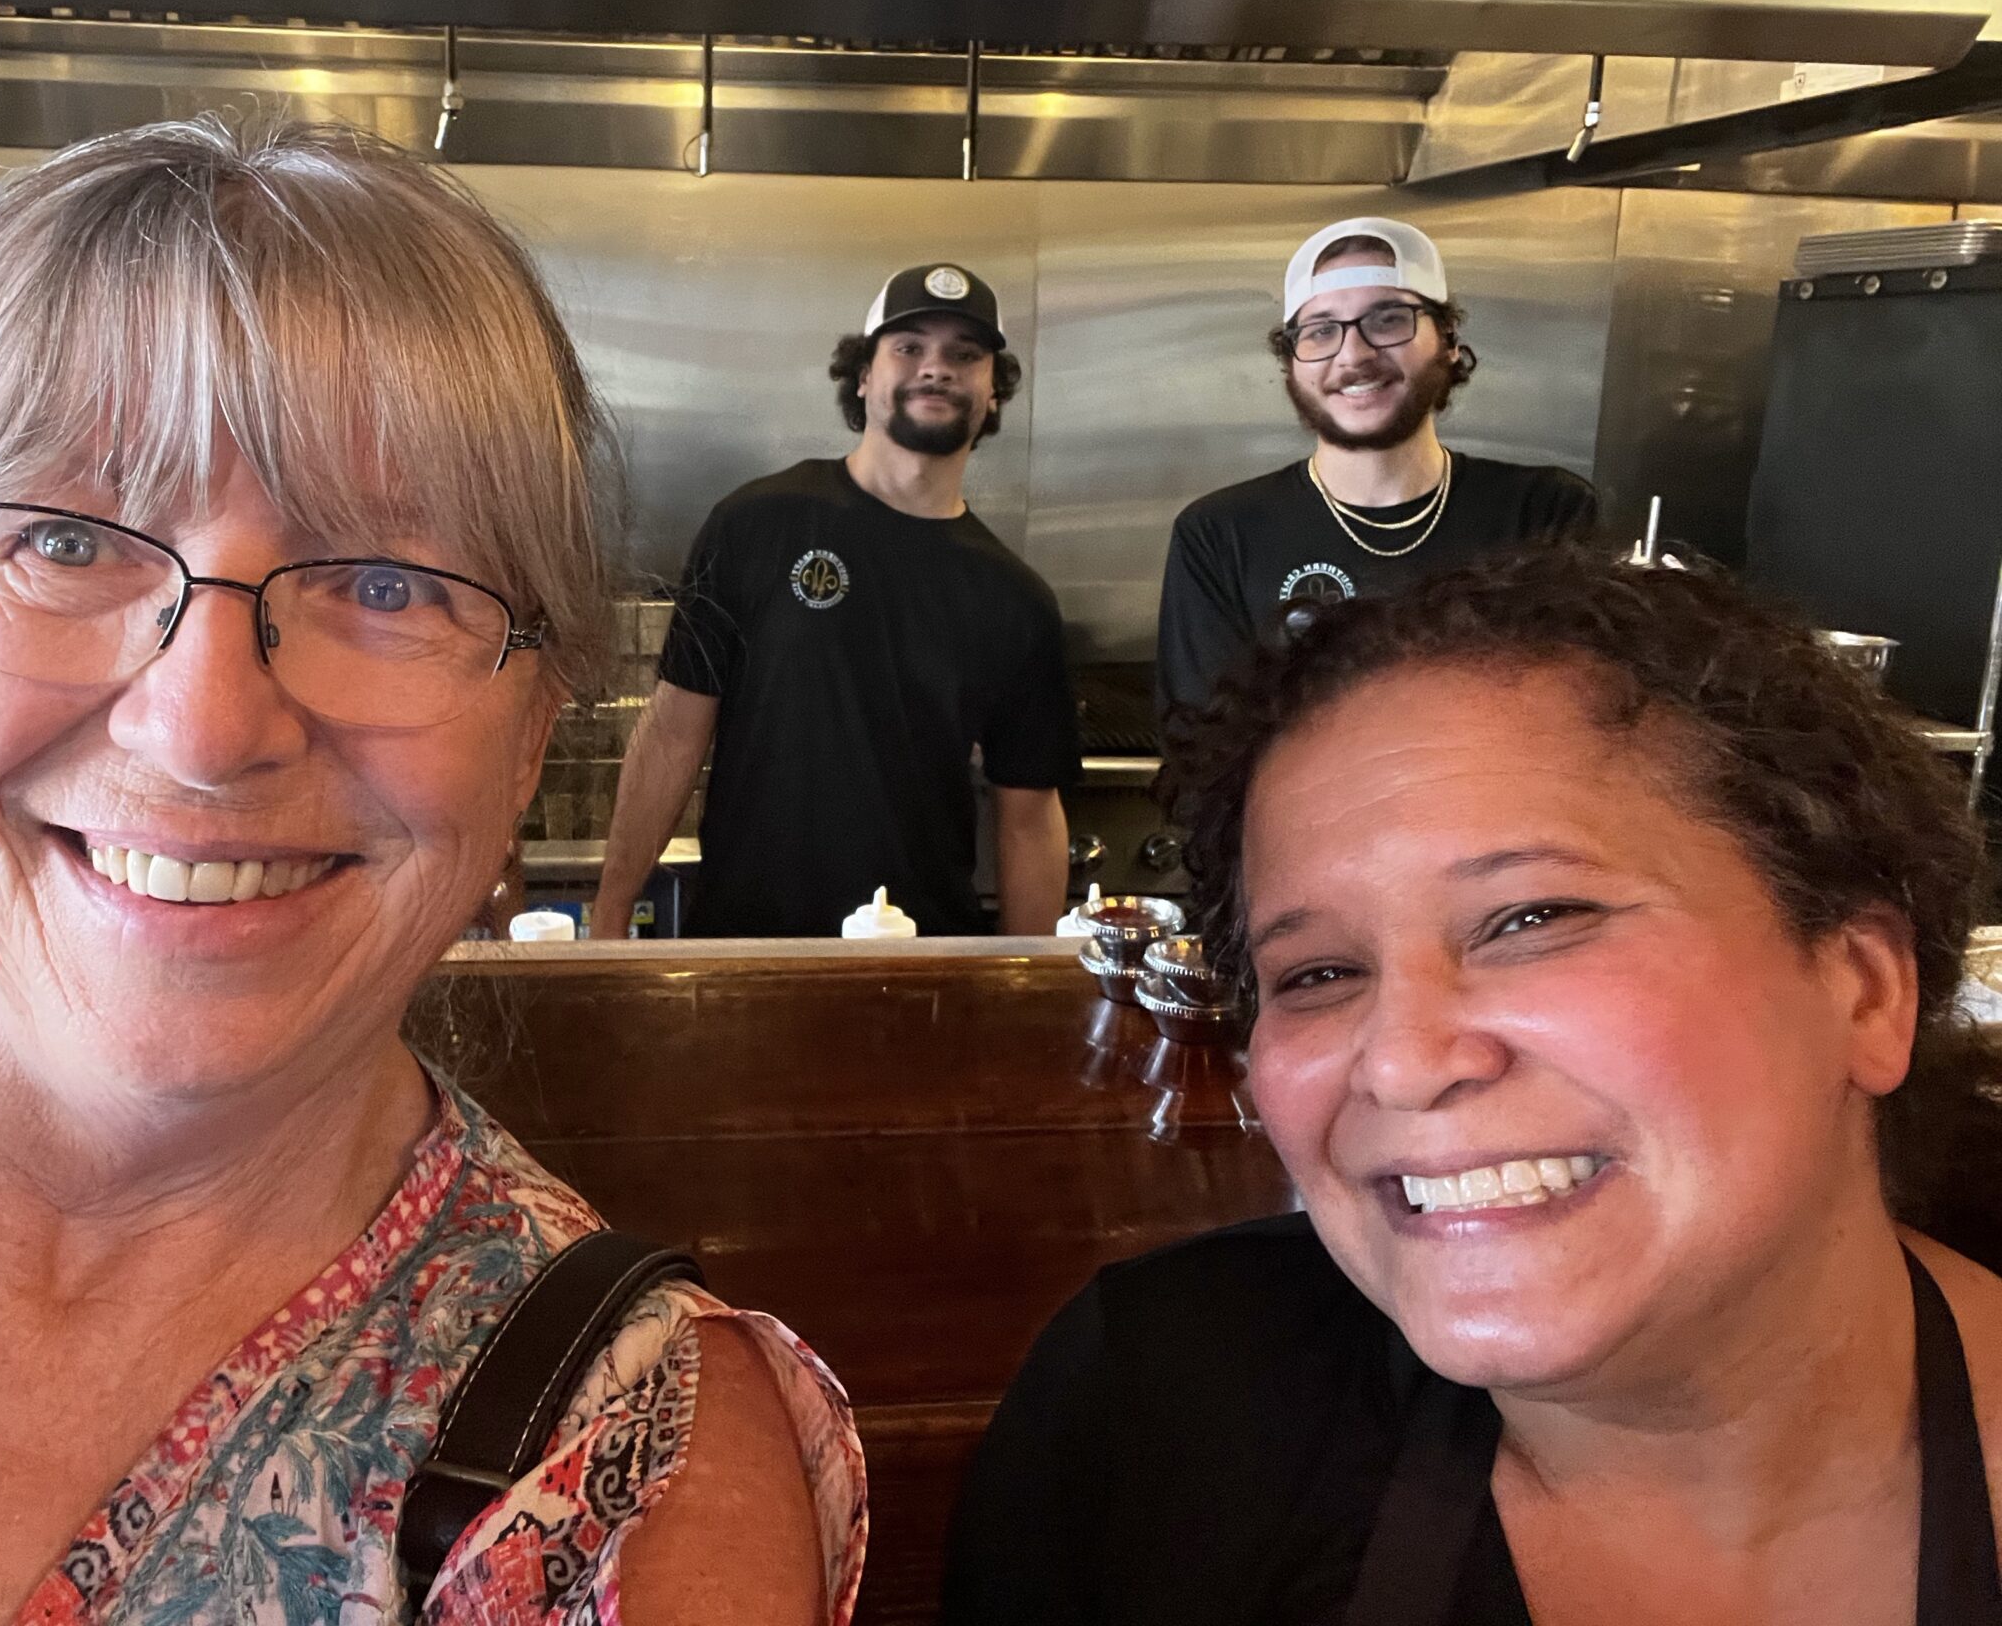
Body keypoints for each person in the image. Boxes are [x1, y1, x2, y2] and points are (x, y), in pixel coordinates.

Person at [0, 119, 865, 1623]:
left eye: (384, 584)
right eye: (65, 540)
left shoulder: (631, 1483)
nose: (201, 731)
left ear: (527, 739)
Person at [944, 542, 2002, 1625]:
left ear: (1865, 992)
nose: (1401, 1062)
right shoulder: (1158, 1407)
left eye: (1532, 919)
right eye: (1319, 974)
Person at [590, 264, 1080, 940]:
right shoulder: (757, 523)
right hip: (744, 947)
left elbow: (1028, 818)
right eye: (909, 348)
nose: (936, 368)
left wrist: (1029, 988)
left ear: (991, 393)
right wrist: (610, 915)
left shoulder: (1016, 598)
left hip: (922, 958)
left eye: (964, 356)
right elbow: (673, 729)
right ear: (864, 377)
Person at [1155, 217, 1598, 721]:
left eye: (1387, 319)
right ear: (1292, 363)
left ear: (1448, 340)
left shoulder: (1546, 512)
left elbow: (1578, 720)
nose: (1354, 354)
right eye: (1321, 331)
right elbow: (1201, 749)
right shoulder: (1219, 534)